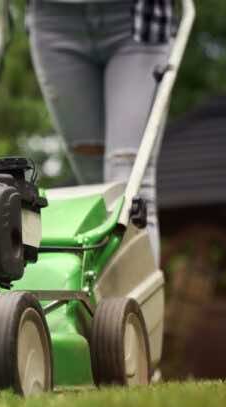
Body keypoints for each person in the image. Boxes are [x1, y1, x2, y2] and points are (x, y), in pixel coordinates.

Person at [28, 0, 175, 265]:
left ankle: (133, 304)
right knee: (96, 195)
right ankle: (98, 302)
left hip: (138, 19)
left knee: (130, 191)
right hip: (53, 19)